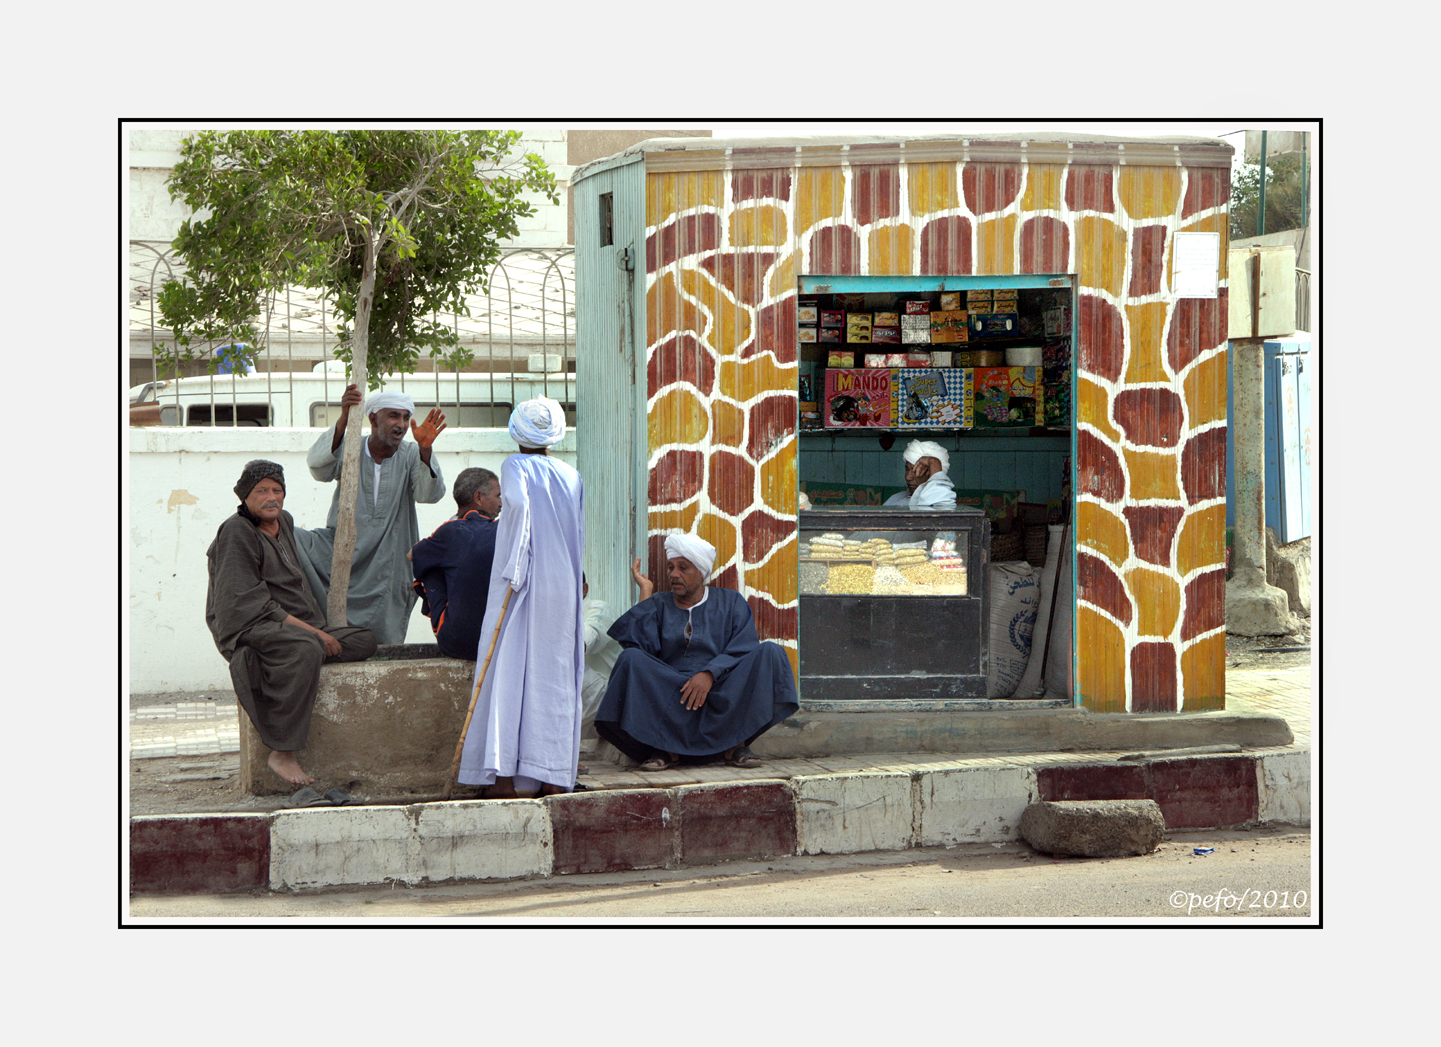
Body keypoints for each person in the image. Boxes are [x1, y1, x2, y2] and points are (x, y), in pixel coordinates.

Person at [205, 460, 377, 786]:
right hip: (252, 623)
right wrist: (313, 634)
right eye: (262, 491)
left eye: (277, 490)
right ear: (245, 497)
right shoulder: (237, 532)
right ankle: (282, 753)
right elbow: (248, 602)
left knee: (365, 639)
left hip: (298, 624)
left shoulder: (284, 521)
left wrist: (316, 629)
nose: (271, 497)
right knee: (306, 647)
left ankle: (284, 654)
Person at [457, 397, 586, 798]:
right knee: (554, 676)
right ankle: (549, 775)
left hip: (521, 581)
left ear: (517, 433)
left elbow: (516, 505)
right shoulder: (571, 473)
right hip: (562, 584)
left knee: (508, 670)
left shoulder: (514, 466)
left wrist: (515, 565)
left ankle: (503, 777)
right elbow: (576, 532)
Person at [594, 534, 799, 771]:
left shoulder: (730, 601)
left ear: (701, 572)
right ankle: (663, 747)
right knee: (630, 659)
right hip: (672, 692)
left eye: (683, 568)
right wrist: (646, 592)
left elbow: (744, 647)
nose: (673, 574)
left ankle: (736, 744)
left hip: (722, 687)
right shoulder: (659, 603)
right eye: (671, 567)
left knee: (770, 653)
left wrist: (709, 674)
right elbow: (640, 649)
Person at [293, 385, 448, 645]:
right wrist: (344, 419)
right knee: (285, 534)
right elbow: (318, 469)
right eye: (393, 416)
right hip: (341, 549)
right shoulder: (352, 445)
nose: (400, 424)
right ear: (373, 418)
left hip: (388, 559)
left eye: (405, 417)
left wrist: (425, 450)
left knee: (383, 639)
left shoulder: (411, 453)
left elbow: (428, 495)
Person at [409, 468, 500, 660]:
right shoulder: (505, 530)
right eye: (498, 496)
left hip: (458, 643)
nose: (501, 503)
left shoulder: (450, 530)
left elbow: (411, 555)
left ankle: (441, 624)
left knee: (430, 565)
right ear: (478, 497)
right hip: (500, 641)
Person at [882, 439, 958, 509]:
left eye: (916, 471)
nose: (908, 477)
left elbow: (943, 513)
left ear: (932, 473)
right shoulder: (896, 498)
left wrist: (934, 462)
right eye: (907, 469)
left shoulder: (938, 502)